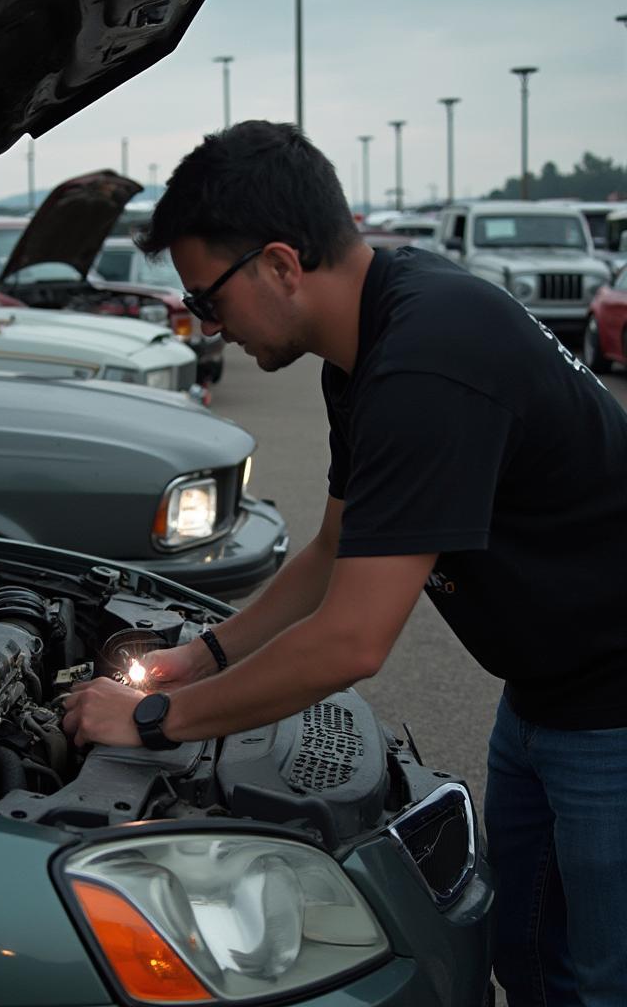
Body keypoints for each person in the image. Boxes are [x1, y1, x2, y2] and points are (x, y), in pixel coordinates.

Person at [60, 120, 627, 1006]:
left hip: (612, 711)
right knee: (521, 958)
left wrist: (157, 719)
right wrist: (204, 654)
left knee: (597, 983)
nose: (204, 324)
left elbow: (351, 643)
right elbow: (333, 550)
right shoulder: (368, 346)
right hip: (543, 699)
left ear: (282, 264)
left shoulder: (424, 364)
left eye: (207, 301)